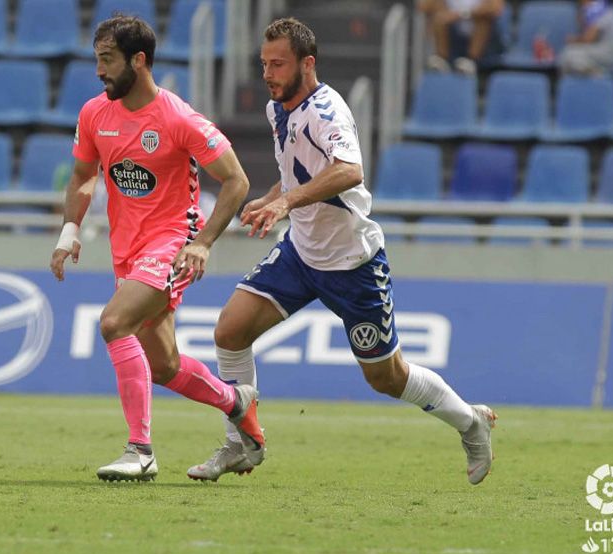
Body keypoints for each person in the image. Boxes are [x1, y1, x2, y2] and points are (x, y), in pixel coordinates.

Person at [186, 17, 497, 485]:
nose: (267, 74)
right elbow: (300, 172)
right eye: (264, 63)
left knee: (386, 378)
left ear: (307, 64)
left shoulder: (326, 109)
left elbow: (349, 170)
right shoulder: (279, 109)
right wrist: (275, 198)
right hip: (299, 253)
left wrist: (287, 202)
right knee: (230, 331)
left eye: (278, 64)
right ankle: (242, 442)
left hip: (352, 264)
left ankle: (470, 422)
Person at [49, 15, 265, 482]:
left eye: (107, 60)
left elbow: (236, 180)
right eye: (97, 60)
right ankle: (236, 401)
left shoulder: (177, 118)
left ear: (138, 60)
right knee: (163, 366)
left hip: (171, 245)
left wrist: (203, 242)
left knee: (113, 322)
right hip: (126, 250)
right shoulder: (94, 114)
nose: (100, 70)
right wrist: (70, 230)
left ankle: (140, 450)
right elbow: (85, 175)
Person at [419, 0, 505, 74]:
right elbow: (424, 6)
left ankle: (471, 61)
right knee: (439, 17)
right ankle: (441, 60)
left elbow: (496, 8)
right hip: (454, 39)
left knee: (483, 21)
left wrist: (461, 14)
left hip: (486, 46)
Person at [559, 0, 613, 76]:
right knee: (566, 56)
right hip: (600, 50)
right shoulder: (590, 9)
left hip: (612, 54)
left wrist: (573, 40)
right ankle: (570, 84)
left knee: (569, 55)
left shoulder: (599, 10)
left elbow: (589, 39)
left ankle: (599, 77)